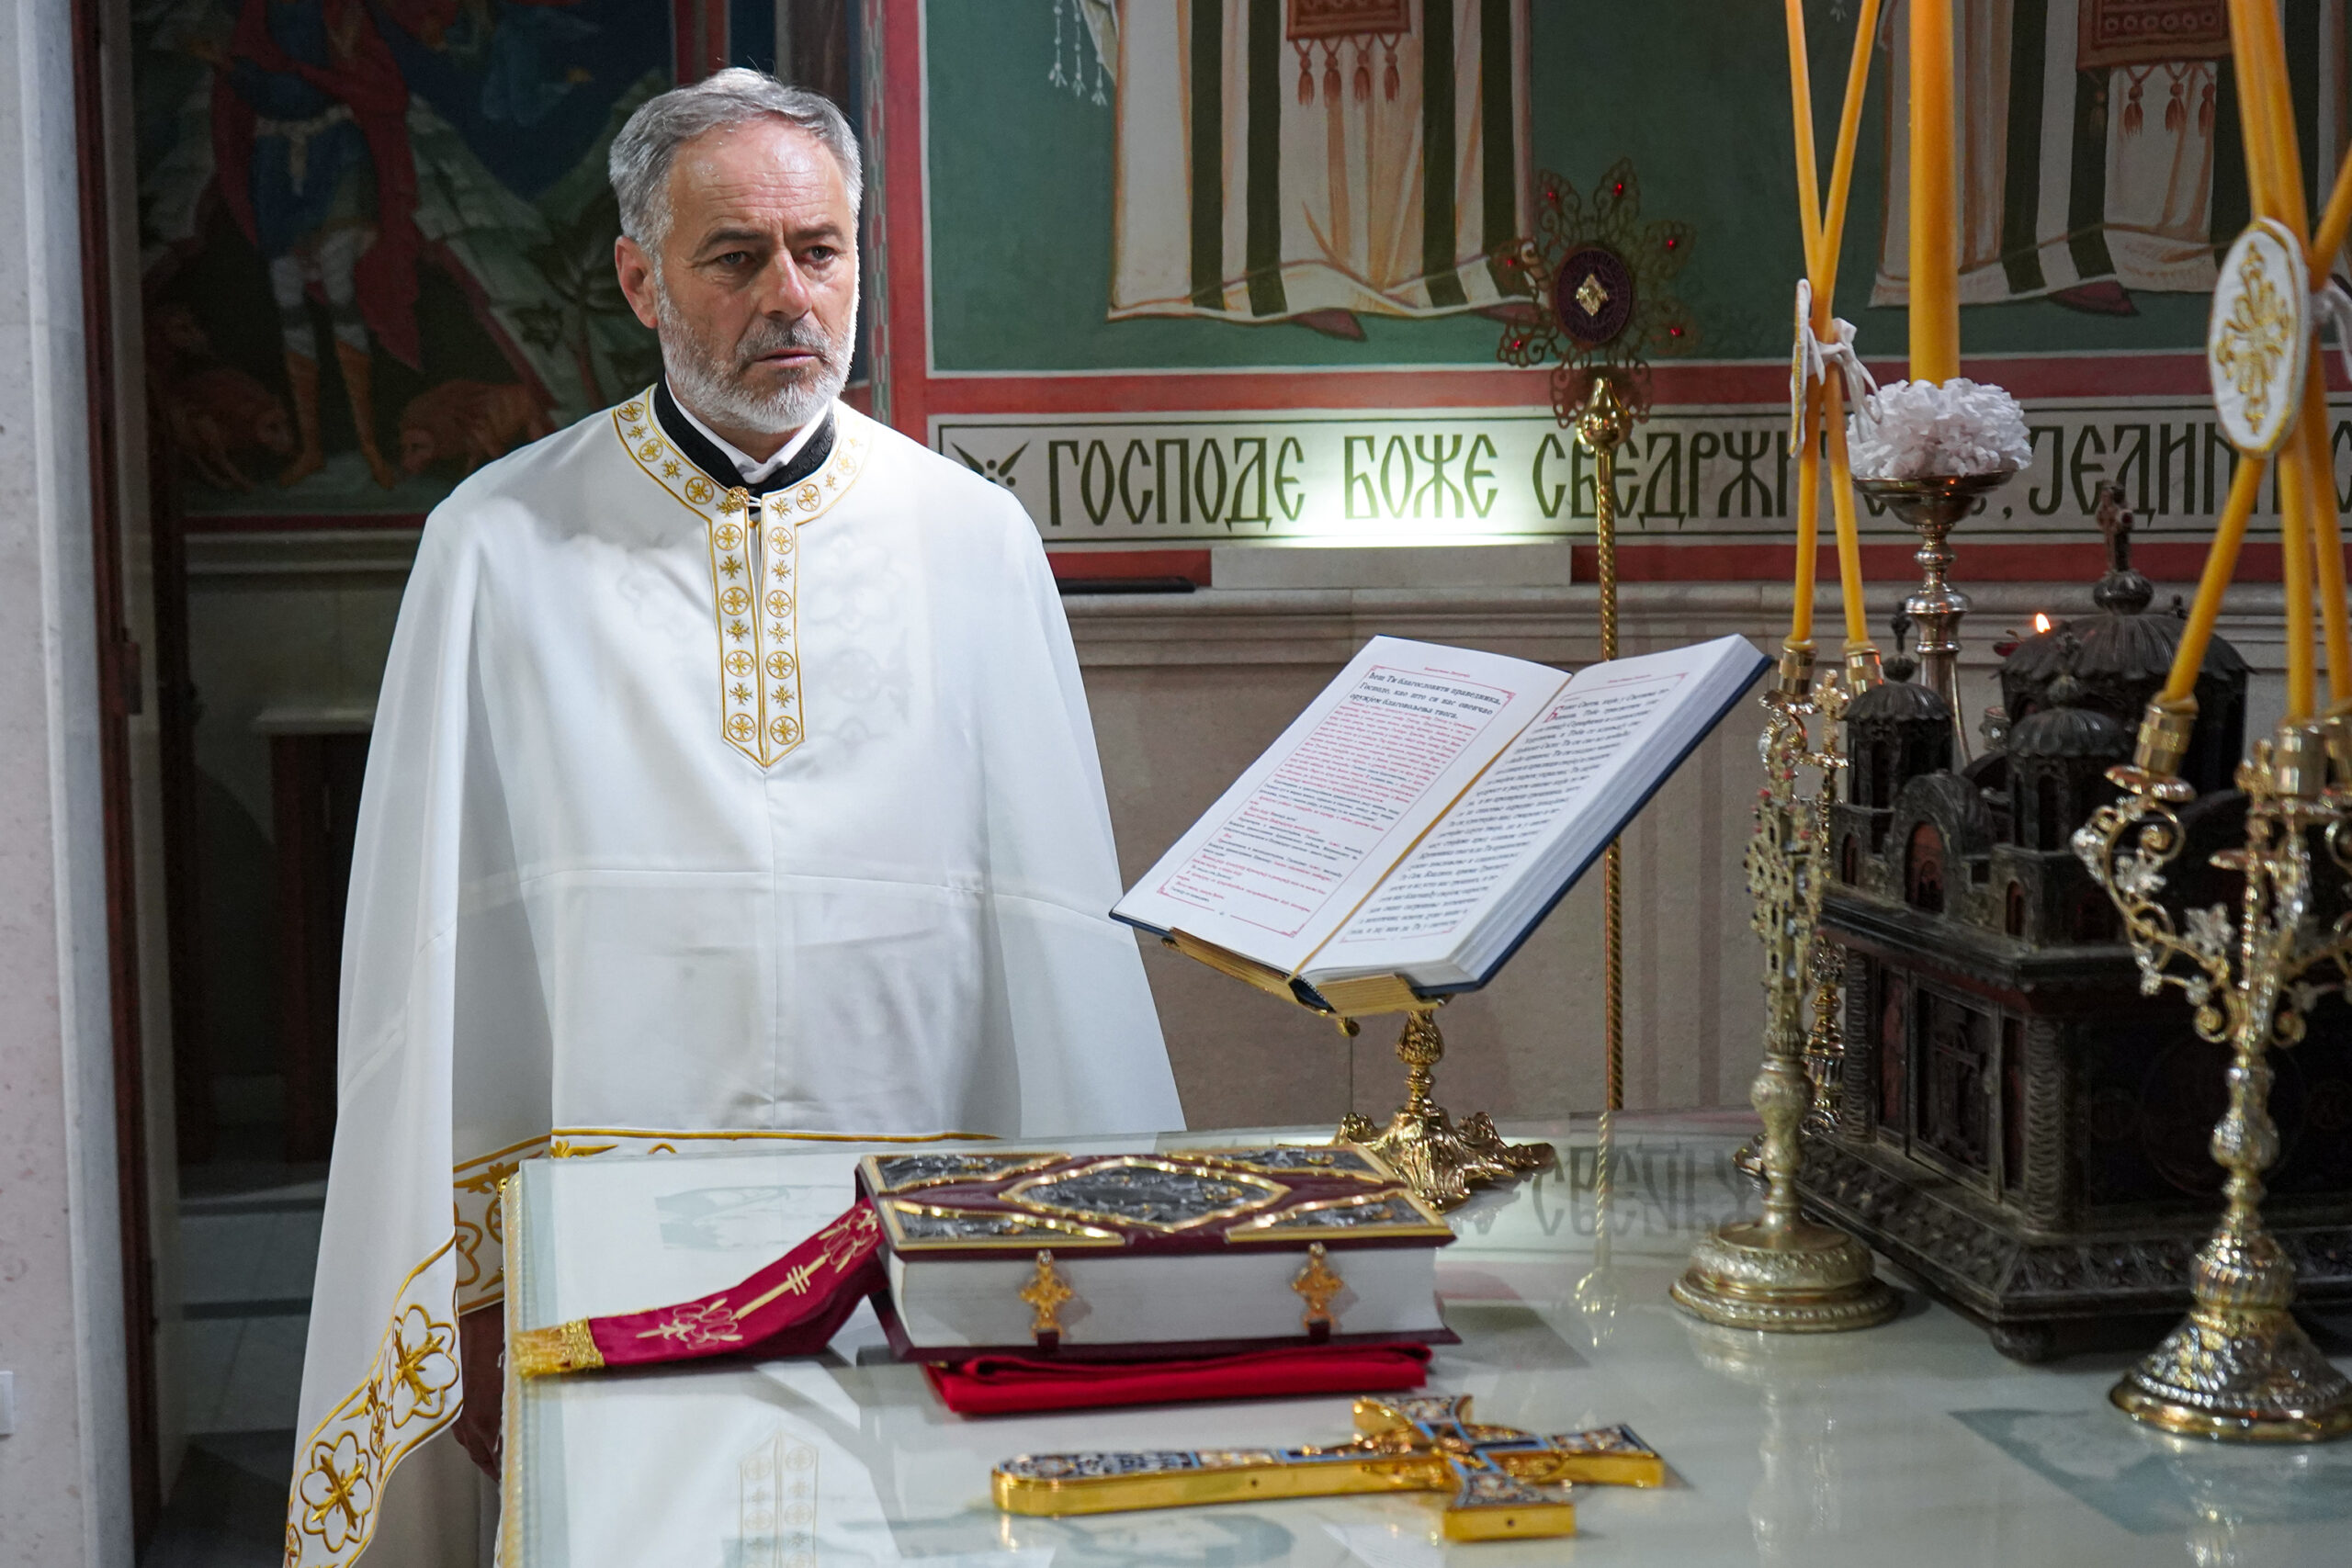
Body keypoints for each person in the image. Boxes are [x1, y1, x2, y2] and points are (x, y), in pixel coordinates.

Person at [283, 70, 1183, 1567]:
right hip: (606, 1262)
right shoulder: (495, 547)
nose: (790, 297)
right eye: (736, 257)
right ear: (641, 280)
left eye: (820, 252)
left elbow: (1056, 941)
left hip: (926, 1252)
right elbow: (447, 963)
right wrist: (474, 1292)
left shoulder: (973, 544)